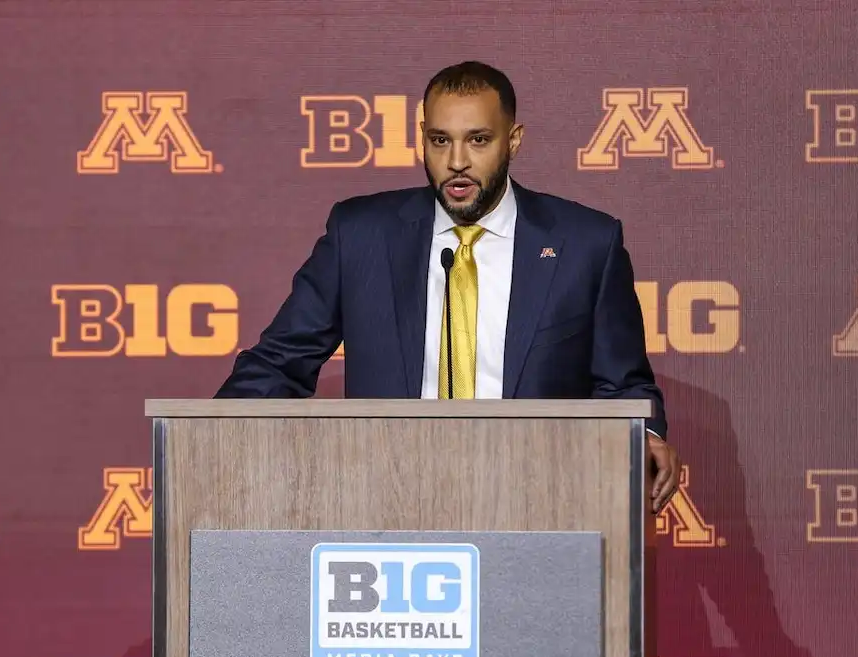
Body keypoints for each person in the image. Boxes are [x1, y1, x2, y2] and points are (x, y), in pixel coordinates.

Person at [215, 61, 680, 514]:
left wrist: (645, 435)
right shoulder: (361, 236)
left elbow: (623, 385)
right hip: (386, 504)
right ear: (422, 141)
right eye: (440, 141)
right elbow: (280, 361)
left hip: (538, 503)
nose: (457, 162)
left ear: (513, 141)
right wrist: (208, 434)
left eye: (478, 140)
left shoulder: (585, 244)